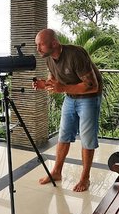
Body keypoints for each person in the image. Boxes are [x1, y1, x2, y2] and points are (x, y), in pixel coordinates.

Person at [32, 28, 103, 192]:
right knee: (63, 135)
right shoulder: (49, 59)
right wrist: (44, 84)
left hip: (89, 98)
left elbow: (92, 86)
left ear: (54, 43)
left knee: (87, 138)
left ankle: (85, 178)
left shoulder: (75, 54)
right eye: (37, 45)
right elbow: (54, 82)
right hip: (70, 97)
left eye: (41, 45)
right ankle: (56, 172)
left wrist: (63, 88)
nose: (38, 49)